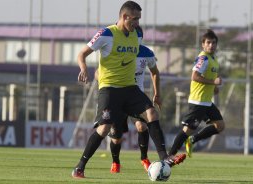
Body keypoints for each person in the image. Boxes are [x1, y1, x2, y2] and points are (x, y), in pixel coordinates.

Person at [72, 1, 185, 179]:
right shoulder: (107, 34)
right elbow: (82, 54)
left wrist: (157, 94)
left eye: (139, 19)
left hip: (130, 88)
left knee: (152, 115)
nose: (137, 23)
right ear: (124, 17)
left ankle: (165, 157)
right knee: (104, 129)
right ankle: (79, 167)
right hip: (109, 89)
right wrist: (84, 68)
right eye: (135, 19)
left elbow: (152, 69)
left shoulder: (137, 35)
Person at [168, 29, 225, 158]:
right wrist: (213, 81)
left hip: (207, 102)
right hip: (198, 101)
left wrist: (214, 87)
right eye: (208, 43)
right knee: (187, 130)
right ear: (203, 45)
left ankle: (192, 140)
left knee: (220, 126)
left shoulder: (213, 59)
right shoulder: (203, 58)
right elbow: (195, 76)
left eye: (214, 43)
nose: (211, 45)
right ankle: (169, 156)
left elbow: (209, 78)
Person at [109, 36, 162, 173]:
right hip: (119, 97)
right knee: (117, 137)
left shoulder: (147, 53)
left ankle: (144, 158)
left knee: (142, 125)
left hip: (135, 98)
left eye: (139, 37)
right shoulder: (119, 51)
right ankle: (115, 162)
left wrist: (157, 94)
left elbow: (155, 72)